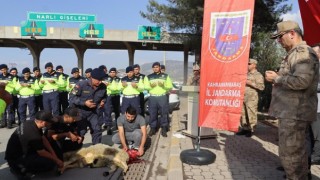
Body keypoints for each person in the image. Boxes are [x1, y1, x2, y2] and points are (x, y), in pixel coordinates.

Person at [265, 20, 319, 179]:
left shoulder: (302, 53)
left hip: (295, 113)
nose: (279, 41)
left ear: (292, 34)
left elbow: (302, 81)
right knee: (295, 153)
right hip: (292, 112)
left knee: (291, 155)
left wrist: (277, 79)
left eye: (280, 37)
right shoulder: (295, 53)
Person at [5, 110, 63, 179]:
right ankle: (20, 169)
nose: (51, 124)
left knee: (51, 152)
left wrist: (55, 156)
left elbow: (44, 139)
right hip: (16, 158)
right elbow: (42, 152)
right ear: (43, 122)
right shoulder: (33, 134)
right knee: (50, 163)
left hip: (22, 150)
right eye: (50, 122)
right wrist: (56, 160)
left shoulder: (32, 123)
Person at [69, 68, 106, 145]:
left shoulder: (103, 87)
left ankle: (96, 149)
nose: (99, 82)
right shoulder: (81, 84)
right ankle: (76, 149)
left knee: (97, 130)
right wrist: (84, 103)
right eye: (98, 80)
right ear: (92, 77)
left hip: (94, 113)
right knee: (81, 131)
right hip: (81, 112)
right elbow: (71, 97)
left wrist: (103, 101)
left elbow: (104, 96)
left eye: (101, 80)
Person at [236, 59, 265, 137]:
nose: (247, 65)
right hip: (243, 96)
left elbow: (261, 87)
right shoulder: (246, 74)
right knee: (243, 113)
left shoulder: (258, 75)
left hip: (252, 98)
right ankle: (244, 128)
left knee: (251, 113)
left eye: (249, 64)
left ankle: (251, 129)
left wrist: (250, 83)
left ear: (254, 65)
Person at [144, 62, 173, 137]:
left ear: (160, 67)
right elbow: (146, 87)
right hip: (153, 97)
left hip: (162, 96)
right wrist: (151, 87)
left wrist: (164, 86)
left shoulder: (165, 76)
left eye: (157, 67)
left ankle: (164, 128)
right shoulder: (149, 77)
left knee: (164, 112)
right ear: (152, 68)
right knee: (152, 113)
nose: (155, 68)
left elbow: (170, 86)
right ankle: (153, 128)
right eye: (154, 67)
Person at [102, 67, 121, 135]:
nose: (112, 73)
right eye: (111, 72)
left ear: (116, 73)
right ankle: (109, 127)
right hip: (108, 97)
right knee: (108, 112)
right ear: (109, 73)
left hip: (116, 96)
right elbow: (103, 88)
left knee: (117, 112)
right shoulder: (105, 79)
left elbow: (118, 88)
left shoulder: (118, 79)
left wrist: (109, 86)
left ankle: (118, 125)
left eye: (114, 72)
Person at [0, 64, 18, 128]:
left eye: (4, 70)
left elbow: (15, 86)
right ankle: (3, 123)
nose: (3, 71)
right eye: (2, 70)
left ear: (7, 69)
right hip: (1, 96)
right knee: (3, 110)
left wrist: (8, 84)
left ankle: (10, 124)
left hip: (9, 95)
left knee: (10, 110)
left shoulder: (12, 77)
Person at [310, 43, 320, 165]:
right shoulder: (312, 67)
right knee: (308, 134)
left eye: (314, 52)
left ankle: (317, 156)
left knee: (317, 133)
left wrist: (309, 85)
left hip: (318, 107)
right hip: (308, 106)